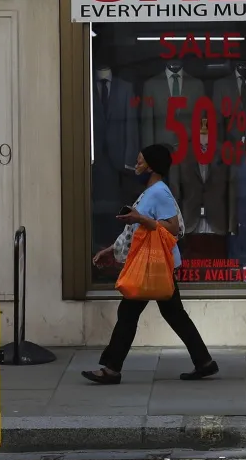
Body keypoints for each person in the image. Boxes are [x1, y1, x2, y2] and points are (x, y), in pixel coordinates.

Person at [83, 143, 219, 385]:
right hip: (153, 264)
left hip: (155, 265)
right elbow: (135, 231)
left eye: (140, 161)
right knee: (174, 315)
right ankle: (204, 362)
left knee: (128, 313)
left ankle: (112, 369)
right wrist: (111, 250)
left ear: (152, 166)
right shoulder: (151, 191)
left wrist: (140, 218)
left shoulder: (159, 193)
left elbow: (172, 228)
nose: (136, 165)